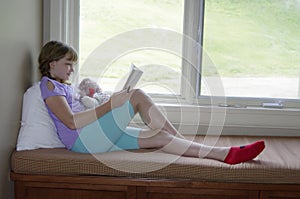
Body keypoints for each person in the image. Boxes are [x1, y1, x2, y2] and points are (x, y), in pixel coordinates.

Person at [38, 41, 265, 165]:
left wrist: (105, 101)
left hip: (91, 136)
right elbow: (71, 122)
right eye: (67, 64)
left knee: (159, 137)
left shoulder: (63, 85)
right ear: (51, 63)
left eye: (73, 64)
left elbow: (80, 112)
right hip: (84, 142)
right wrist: (111, 105)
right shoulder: (49, 86)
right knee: (136, 95)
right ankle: (185, 141)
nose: (71, 69)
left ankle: (225, 154)